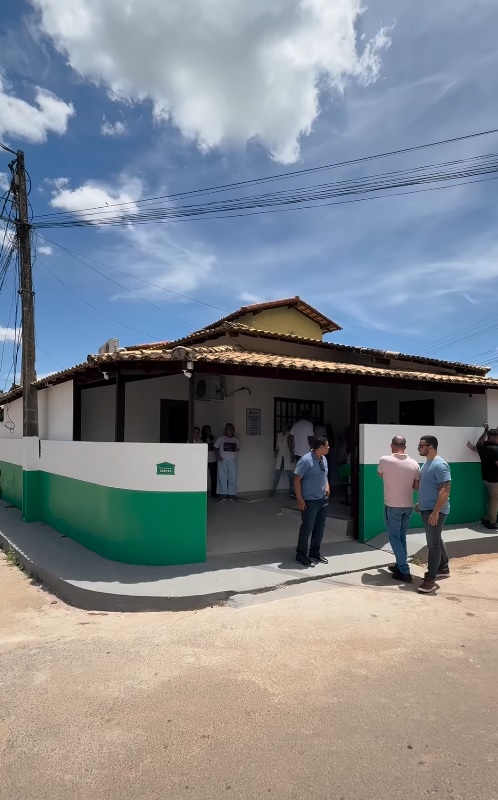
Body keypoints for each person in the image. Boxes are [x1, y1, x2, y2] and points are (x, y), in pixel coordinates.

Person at [378, 435, 420, 583]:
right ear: (405, 447)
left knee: (394, 538)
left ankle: (404, 570)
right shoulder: (415, 464)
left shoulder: (385, 460)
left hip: (392, 505)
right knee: (401, 537)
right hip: (408, 505)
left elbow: (380, 474)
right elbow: (416, 487)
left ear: (392, 446)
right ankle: (400, 564)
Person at [416, 435, 451, 594]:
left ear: (430, 447)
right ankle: (443, 566)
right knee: (436, 538)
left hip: (435, 511)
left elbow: (445, 489)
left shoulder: (440, 465)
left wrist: (435, 511)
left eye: (421, 446)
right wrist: (421, 504)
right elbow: (428, 486)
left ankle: (430, 579)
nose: (418, 448)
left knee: (433, 544)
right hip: (428, 508)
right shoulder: (427, 463)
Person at [294, 436, 331, 567]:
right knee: (307, 527)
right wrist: (299, 499)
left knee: (320, 528)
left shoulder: (324, 458)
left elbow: (324, 475)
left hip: (322, 499)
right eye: (327, 445)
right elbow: (297, 479)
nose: (329, 447)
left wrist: (327, 486)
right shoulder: (306, 460)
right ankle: (301, 554)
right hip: (310, 501)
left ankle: (315, 552)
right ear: (320, 447)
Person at [467, 424, 498, 530]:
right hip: (495, 480)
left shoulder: (483, 447)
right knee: (494, 501)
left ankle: (487, 518)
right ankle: (492, 521)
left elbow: (477, 445)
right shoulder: (495, 450)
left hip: (486, 478)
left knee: (491, 499)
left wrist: (485, 431)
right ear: (495, 438)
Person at [214, 423, 240, 502]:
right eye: (227, 428)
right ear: (225, 430)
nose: (229, 430)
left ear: (233, 430)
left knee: (233, 477)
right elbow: (215, 447)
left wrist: (232, 455)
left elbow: (238, 448)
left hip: (232, 460)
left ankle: (232, 495)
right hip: (222, 460)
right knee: (222, 477)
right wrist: (218, 456)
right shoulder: (221, 438)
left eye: (231, 428)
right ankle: (222, 495)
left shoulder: (236, 439)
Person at [269, 423, 294, 498]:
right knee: (277, 475)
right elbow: (277, 446)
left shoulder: (289, 435)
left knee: (290, 476)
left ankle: (291, 492)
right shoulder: (279, 435)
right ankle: (273, 490)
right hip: (280, 456)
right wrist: (276, 453)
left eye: (285, 427)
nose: (283, 428)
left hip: (287, 456)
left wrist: (292, 455)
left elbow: (291, 446)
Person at [201, 424, 218, 499]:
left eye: (209, 430)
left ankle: (213, 493)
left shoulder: (215, 438)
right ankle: (202, 492)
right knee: (203, 477)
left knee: (214, 477)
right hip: (204, 461)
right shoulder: (201, 440)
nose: (208, 432)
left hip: (213, 460)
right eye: (206, 430)